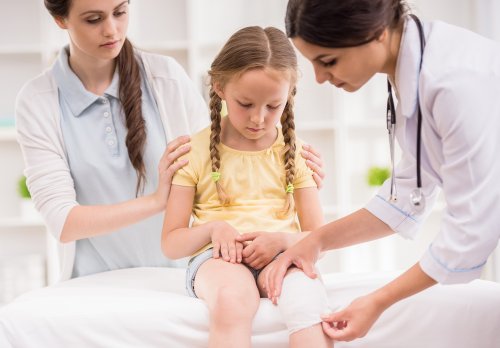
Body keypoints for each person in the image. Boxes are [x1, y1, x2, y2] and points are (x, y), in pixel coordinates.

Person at [15, 0, 324, 281]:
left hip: (181, 278)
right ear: (60, 19)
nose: (112, 29)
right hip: (96, 283)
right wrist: (156, 201)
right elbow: (63, 221)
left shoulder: (165, 78)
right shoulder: (38, 101)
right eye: (93, 19)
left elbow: (221, 160)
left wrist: (290, 171)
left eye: (120, 12)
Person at [266, 0, 500, 342]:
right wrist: (314, 241)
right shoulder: (412, 75)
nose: (319, 78)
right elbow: (406, 197)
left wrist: (378, 301)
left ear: (375, 32)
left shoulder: (451, 80)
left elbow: (471, 232)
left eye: (328, 61)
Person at [161, 26, 333, 348]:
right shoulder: (193, 152)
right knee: (232, 300)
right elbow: (171, 243)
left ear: (289, 95)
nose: (258, 118)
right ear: (219, 87)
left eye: (273, 106)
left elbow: (318, 238)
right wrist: (214, 229)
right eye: (245, 104)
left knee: (307, 299)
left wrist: (283, 241)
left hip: (284, 254)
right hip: (216, 260)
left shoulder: (296, 153)